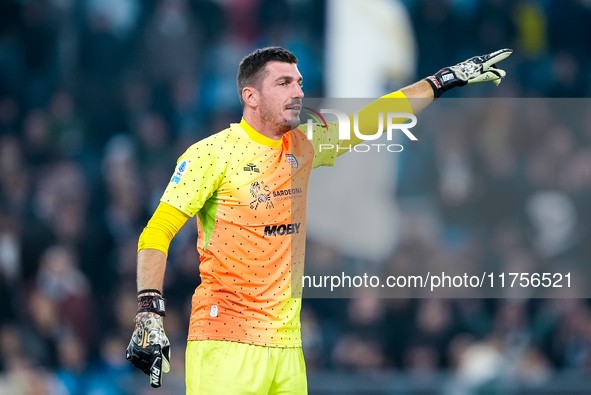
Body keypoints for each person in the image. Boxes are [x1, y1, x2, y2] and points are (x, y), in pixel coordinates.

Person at [126, 46, 512, 393]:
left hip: (287, 348)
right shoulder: (211, 154)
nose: (298, 92)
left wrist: (441, 80)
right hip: (226, 342)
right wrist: (149, 311)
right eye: (284, 83)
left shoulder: (305, 145)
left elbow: (375, 117)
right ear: (251, 96)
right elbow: (157, 231)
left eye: (299, 82)